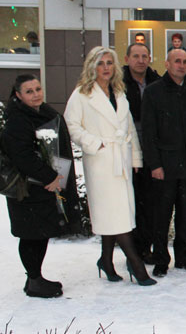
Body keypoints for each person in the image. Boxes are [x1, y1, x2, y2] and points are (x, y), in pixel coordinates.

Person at [64, 47, 155, 286]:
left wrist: (135, 158)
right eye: (100, 63)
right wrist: (96, 144)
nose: (105, 67)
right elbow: (71, 126)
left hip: (121, 161)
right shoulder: (82, 94)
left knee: (117, 214)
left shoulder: (119, 92)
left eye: (109, 63)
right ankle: (136, 264)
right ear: (91, 67)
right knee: (114, 215)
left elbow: (129, 127)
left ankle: (105, 260)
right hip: (101, 163)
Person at [2, 75, 79, 297]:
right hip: (27, 188)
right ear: (18, 95)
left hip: (41, 187)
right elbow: (22, 156)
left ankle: (34, 278)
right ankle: (34, 280)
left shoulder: (42, 112)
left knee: (40, 233)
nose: (36, 94)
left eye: (38, 89)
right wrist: (50, 177)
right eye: (29, 91)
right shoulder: (17, 119)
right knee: (31, 235)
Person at [141, 49, 186, 277]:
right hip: (164, 165)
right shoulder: (153, 92)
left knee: (185, 213)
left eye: (185, 61)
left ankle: (184, 256)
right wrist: (154, 164)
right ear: (167, 63)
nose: (181, 65)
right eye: (177, 61)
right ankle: (161, 258)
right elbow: (148, 132)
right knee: (162, 214)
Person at [122, 42, 160, 264]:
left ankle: (146, 247)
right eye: (136, 56)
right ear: (127, 59)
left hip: (152, 150)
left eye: (144, 56)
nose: (141, 60)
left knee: (150, 202)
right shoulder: (118, 83)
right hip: (127, 151)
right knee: (132, 202)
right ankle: (133, 250)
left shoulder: (156, 81)